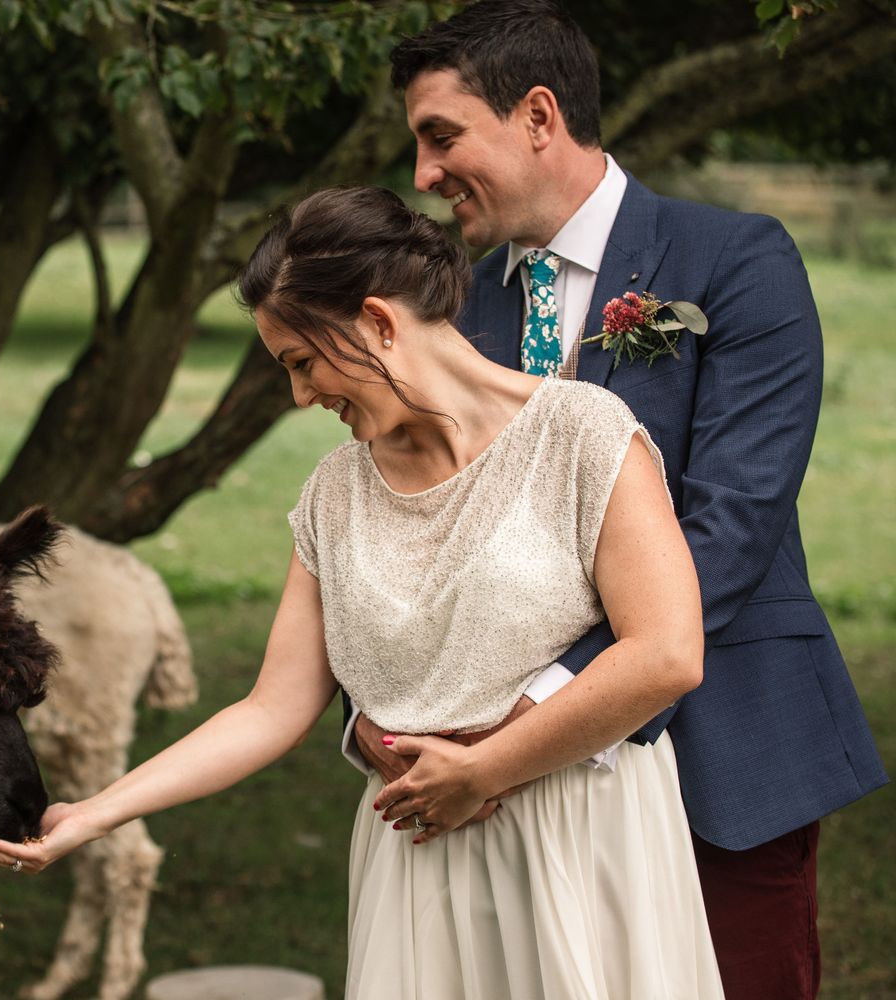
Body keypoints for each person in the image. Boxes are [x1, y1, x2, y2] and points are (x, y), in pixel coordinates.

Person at [0, 185, 726, 999]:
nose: (299, 396)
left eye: (301, 361)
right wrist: (95, 812)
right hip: (416, 868)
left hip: (576, 843)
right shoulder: (334, 493)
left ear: (378, 322)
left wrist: (486, 770)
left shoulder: (582, 432)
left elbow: (666, 654)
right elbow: (270, 709)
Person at [346, 3, 888, 998]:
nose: (422, 175)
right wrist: (391, 705)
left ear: (539, 116)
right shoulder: (457, 300)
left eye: (441, 136)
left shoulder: (736, 261)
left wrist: (537, 712)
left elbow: (729, 529)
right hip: (510, 807)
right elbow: (414, 516)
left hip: (720, 756)